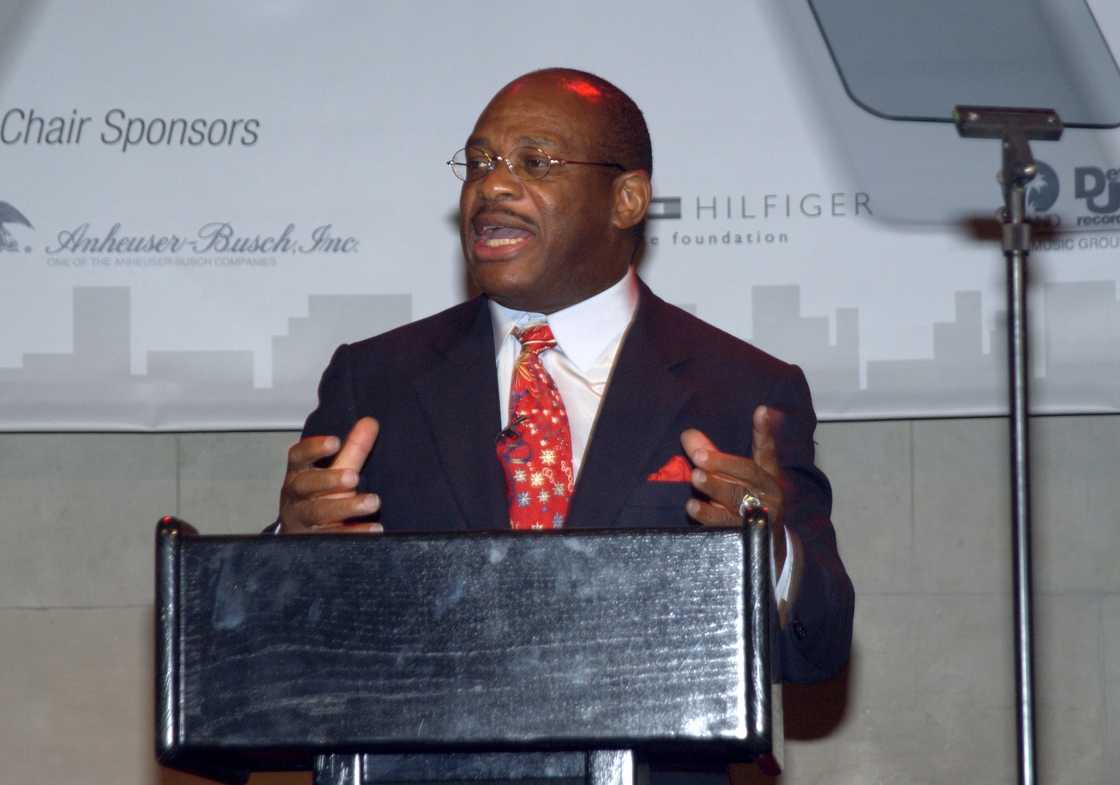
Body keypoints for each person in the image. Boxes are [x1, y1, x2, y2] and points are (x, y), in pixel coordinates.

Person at [276, 68, 853, 684]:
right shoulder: (375, 381)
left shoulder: (744, 392)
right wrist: (289, 552)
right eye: (478, 163)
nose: (492, 186)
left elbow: (817, 650)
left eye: (536, 162)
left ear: (626, 199)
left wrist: (773, 555)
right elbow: (283, 655)